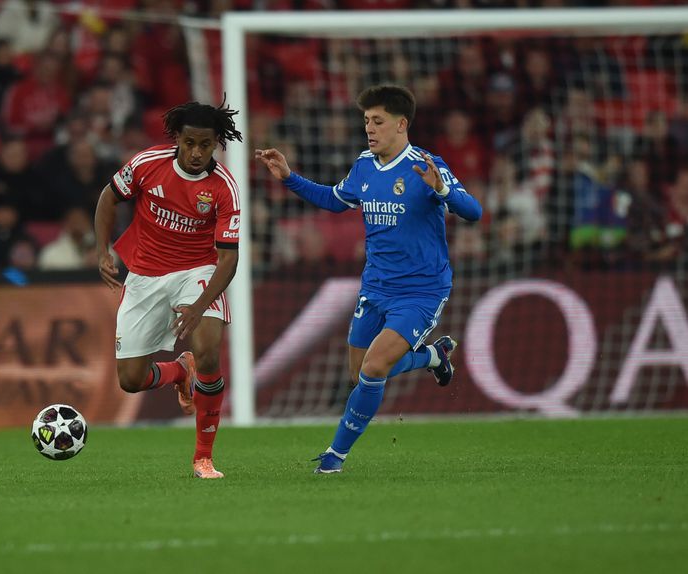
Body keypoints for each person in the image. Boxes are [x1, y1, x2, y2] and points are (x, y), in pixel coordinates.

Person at [256, 85, 482, 474]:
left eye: (377, 121)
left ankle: (334, 458)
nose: (370, 129)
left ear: (401, 124)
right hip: (375, 287)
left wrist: (441, 188)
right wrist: (290, 177)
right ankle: (433, 355)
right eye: (366, 122)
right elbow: (334, 199)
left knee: (373, 369)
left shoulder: (426, 165)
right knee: (359, 372)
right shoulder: (364, 165)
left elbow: (474, 212)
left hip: (421, 290)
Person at [95, 101, 243, 479]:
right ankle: (178, 372)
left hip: (197, 270)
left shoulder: (224, 188)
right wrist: (102, 250)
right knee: (130, 380)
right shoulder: (148, 163)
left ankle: (203, 458)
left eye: (205, 145)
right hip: (144, 274)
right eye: (190, 143)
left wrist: (199, 306)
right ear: (177, 138)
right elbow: (108, 198)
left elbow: (228, 260)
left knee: (208, 352)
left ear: (216, 144)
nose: (196, 153)